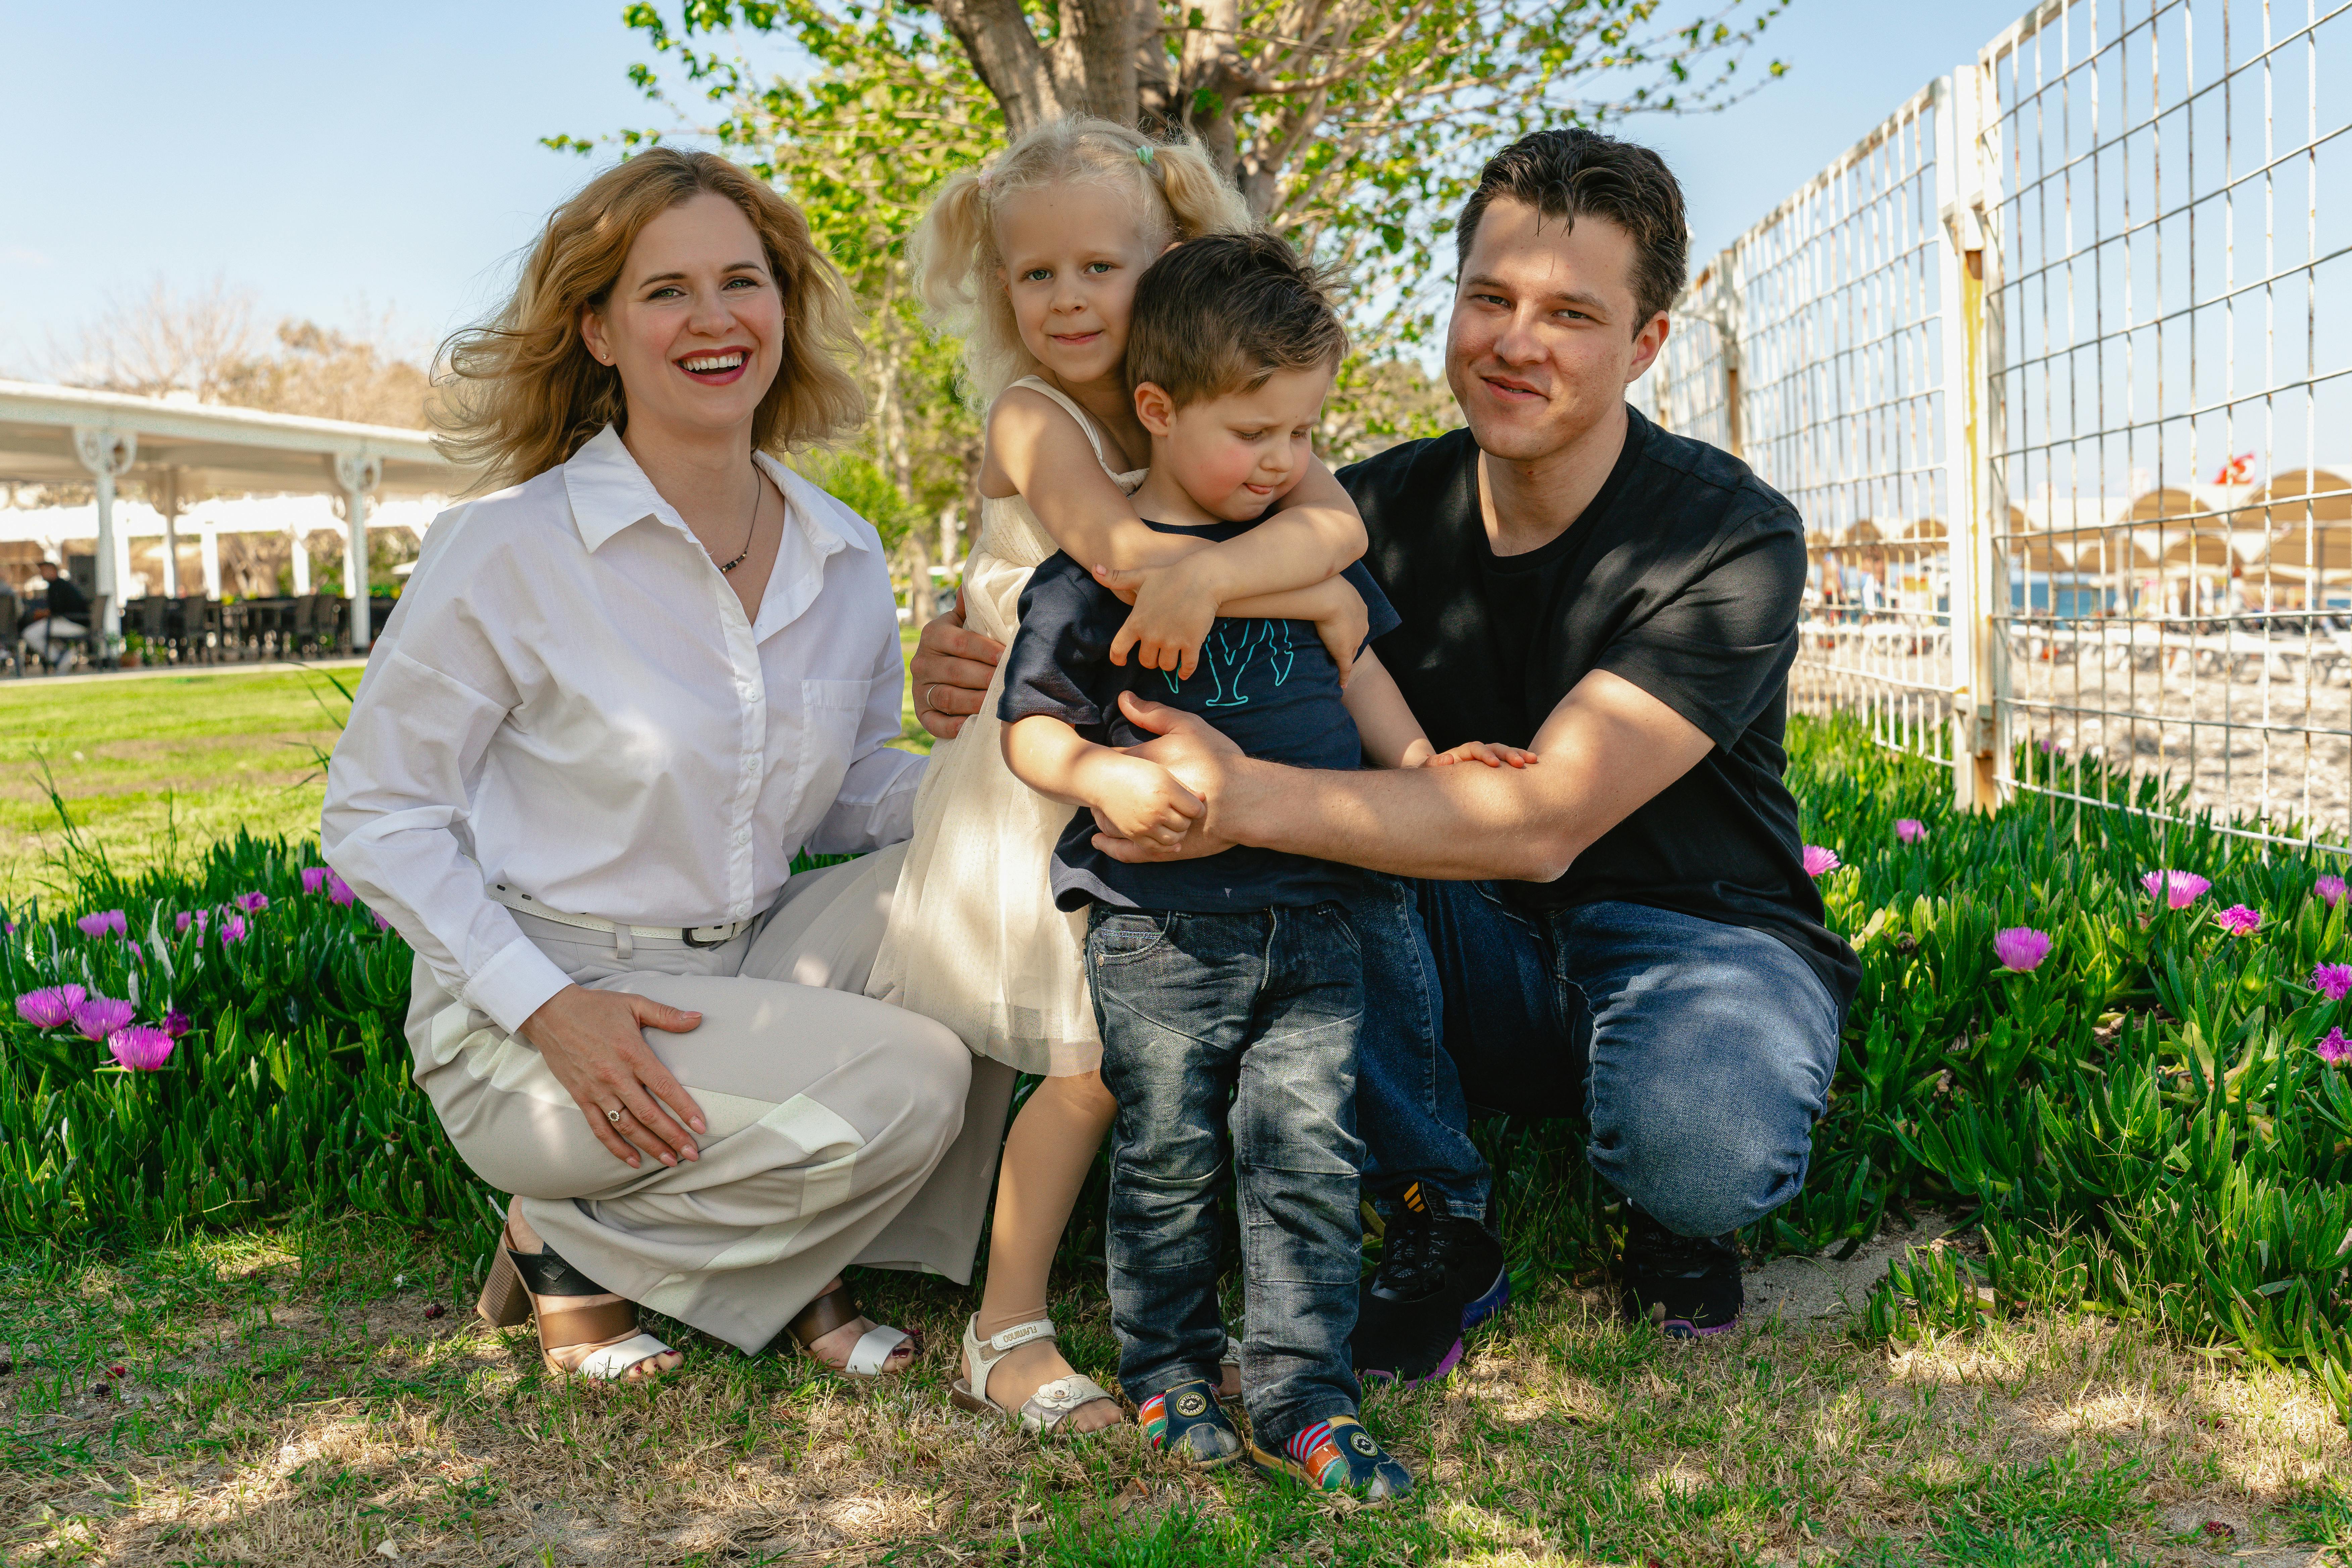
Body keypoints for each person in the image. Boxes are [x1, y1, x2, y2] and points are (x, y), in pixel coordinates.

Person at [913, 128, 1860, 1374]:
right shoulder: (1345, 500)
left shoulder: (1724, 536)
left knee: (1696, 1137)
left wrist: (1245, 798)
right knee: (1296, 902)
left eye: (1571, 313)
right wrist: (988, 656)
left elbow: (1546, 817)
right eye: (1490, 299)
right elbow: (1134, 602)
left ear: (1644, 347)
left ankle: (1654, 1185)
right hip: (1440, 924)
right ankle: (1438, 1210)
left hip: (1684, 925)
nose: (1516, 341)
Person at [323, 147, 1008, 1385]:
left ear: (782, 309)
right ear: (596, 328)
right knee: (919, 1079)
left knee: (1004, 912)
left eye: (742, 282)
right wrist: (545, 1004)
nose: (714, 320)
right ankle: (576, 1234)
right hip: (536, 1004)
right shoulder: (508, 549)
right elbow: (379, 813)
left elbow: (855, 793)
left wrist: (1000, 753)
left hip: (748, 954)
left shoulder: (841, 552)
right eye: (664, 291)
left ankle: (630, 1238)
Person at [1000, 234, 1533, 1500]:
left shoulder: (1306, 545)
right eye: (1255, 432)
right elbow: (1029, 725)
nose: (1285, 460)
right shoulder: (1090, 580)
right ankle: (1169, 1366)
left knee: (1307, 1152)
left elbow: (1360, 673)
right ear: (1157, 409)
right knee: (1172, 1152)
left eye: (1302, 431)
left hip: (1314, 911)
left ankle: (1304, 1390)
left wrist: (1421, 765)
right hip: (1158, 925)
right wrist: (1103, 775)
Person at [872, 116, 1372, 1435]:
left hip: (1161, 774)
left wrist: (1254, 567)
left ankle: (1185, 1319)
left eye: (1105, 267)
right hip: (1047, 781)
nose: (1070, 299)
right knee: (1094, 1058)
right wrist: (1283, 582)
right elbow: (1115, 551)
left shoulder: (1225, 401)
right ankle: (1006, 1327)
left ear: (1174, 256)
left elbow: (1341, 518)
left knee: (1167, 1067)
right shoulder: (1034, 416)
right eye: (1037, 275)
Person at [23, 559, 89, 668]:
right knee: (42, 633)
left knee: (30, 634)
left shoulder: (58, 587)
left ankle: (58, 657)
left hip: (74, 623)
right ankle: (63, 655)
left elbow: (56, 611)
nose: (41, 574)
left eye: (43, 571)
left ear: (53, 570)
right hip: (71, 621)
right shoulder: (60, 585)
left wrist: (40, 614)